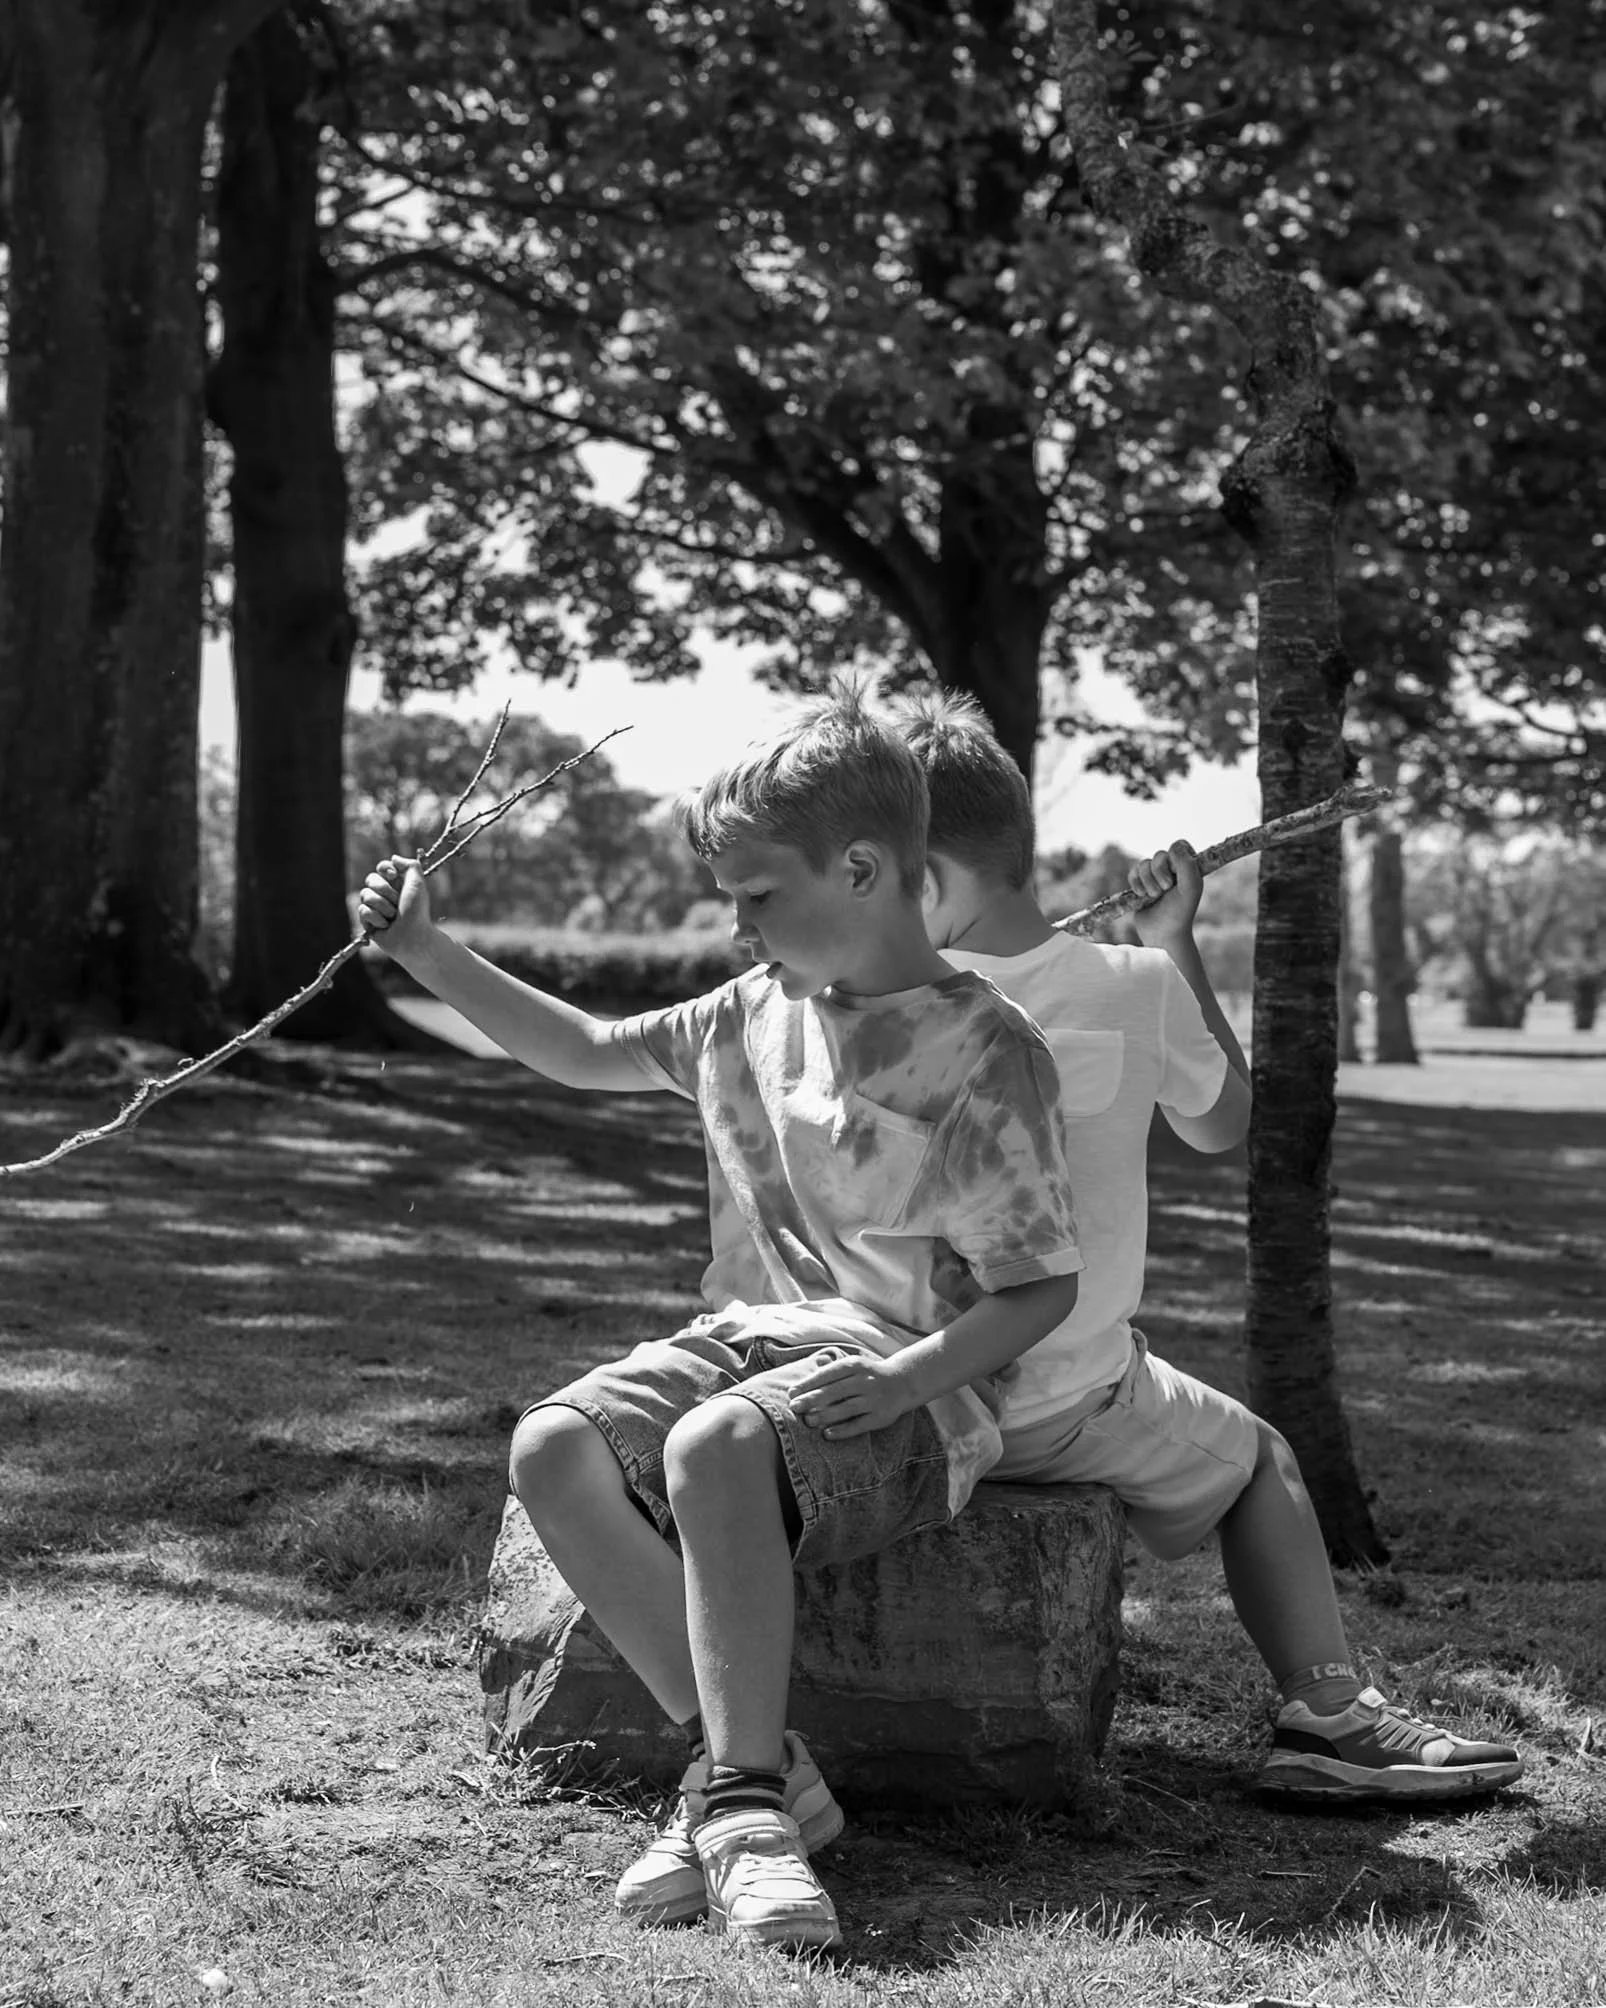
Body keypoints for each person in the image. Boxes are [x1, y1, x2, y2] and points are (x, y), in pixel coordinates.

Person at [357, 688, 1085, 1950]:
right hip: (748, 1342)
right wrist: (429, 955)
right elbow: (585, 1048)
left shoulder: (986, 1051)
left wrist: (916, 1379)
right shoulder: (748, 1012)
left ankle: (738, 1805)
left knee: (712, 1447)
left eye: (754, 895)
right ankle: (751, 1774)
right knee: (553, 1446)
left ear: (861, 869)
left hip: (909, 1392)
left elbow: (1039, 1286)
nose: (735, 924)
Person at [894, 689, 1523, 1805]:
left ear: (924, 876)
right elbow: (1221, 1122)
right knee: (1261, 1459)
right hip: (1054, 1395)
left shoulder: (876, 1000)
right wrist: (1171, 942)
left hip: (896, 1370)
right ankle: (1327, 1710)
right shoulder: (1129, 983)